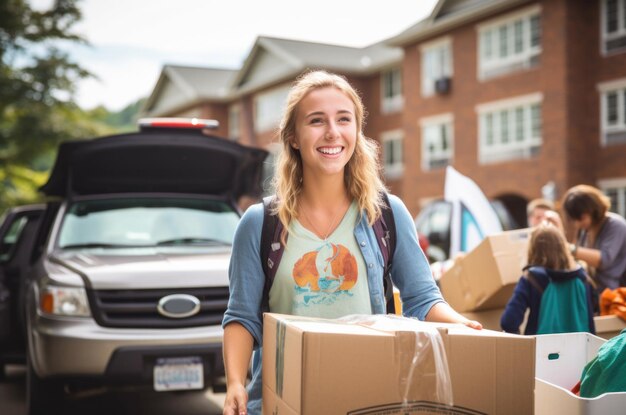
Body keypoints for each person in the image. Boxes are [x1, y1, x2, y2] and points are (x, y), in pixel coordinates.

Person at [221, 70, 481, 415]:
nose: (332, 132)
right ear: (294, 138)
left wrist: (461, 323)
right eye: (316, 121)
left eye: (344, 119)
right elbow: (242, 317)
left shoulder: (386, 214)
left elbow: (422, 298)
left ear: (356, 132)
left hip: (368, 399)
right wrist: (235, 383)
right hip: (282, 401)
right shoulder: (260, 223)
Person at [500, 224, 595, 335]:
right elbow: (590, 325)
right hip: (579, 350)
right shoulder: (583, 279)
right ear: (563, 248)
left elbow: (508, 322)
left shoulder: (531, 279)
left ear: (533, 249)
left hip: (541, 350)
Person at [562, 184, 626, 292]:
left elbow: (604, 260)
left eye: (581, 218)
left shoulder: (615, 225)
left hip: (615, 295)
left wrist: (569, 248)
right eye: (575, 220)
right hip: (594, 292)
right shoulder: (586, 230)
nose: (577, 224)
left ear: (593, 210)